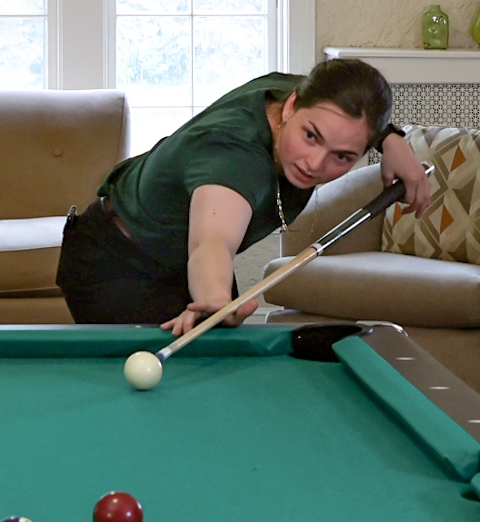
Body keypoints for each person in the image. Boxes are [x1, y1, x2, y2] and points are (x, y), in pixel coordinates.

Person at [55, 58, 436, 334]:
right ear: (290, 107)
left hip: (171, 261)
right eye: (311, 137)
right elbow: (212, 244)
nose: (315, 163)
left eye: (343, 157)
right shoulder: (235, 161)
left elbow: (350, 110)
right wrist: (217, 298)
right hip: (114, 264)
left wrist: (392, 140)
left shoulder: (301, 93)